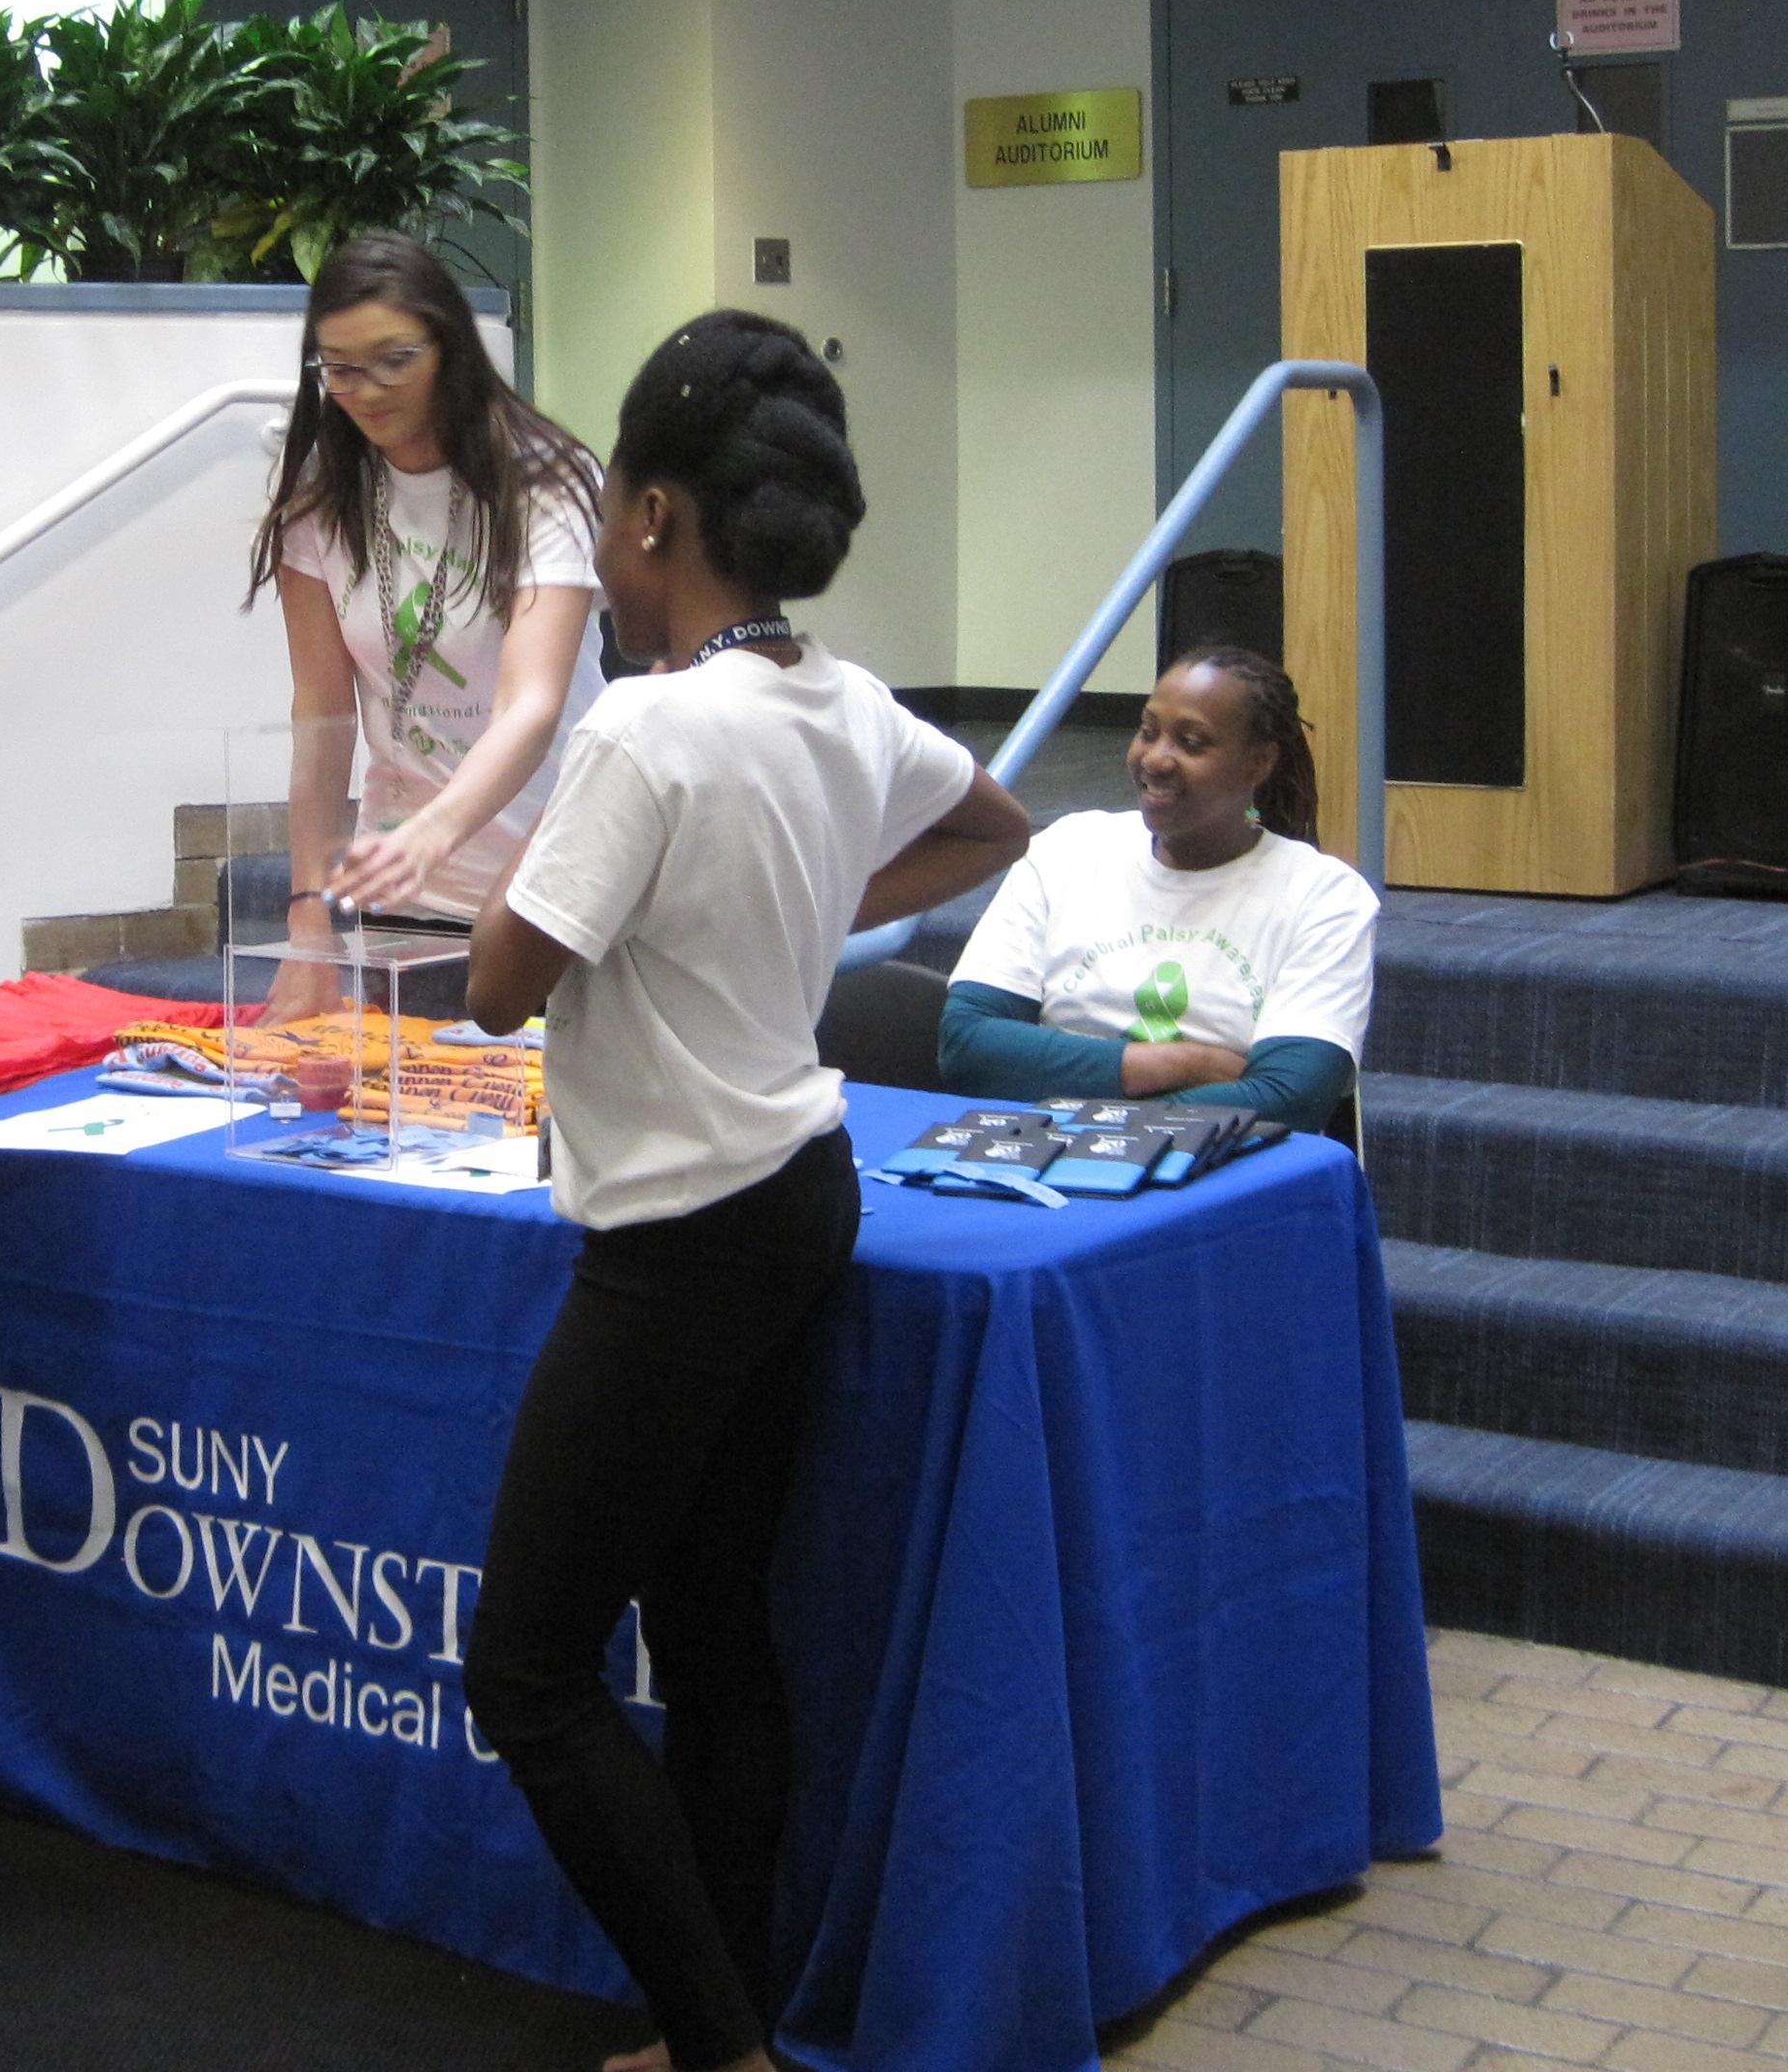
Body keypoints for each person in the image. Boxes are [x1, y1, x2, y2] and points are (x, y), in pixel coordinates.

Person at [461, 312, 1030, 2072]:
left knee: (528, 1670)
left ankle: (720, 2047)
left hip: (680, 1236)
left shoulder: (644, 732)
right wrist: (797, 900)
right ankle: (722, 2024)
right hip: (797, 1192)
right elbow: (994, 823)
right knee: (714, 1635)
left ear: (650, 516)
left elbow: (499, 983)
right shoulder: (843, 702)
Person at [248, 232, 604, 1004]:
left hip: (551, 887)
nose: (368, 390)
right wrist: (309, 917)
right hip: (405, 898)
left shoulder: (543, 479)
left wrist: (432, 834)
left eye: (395, 359)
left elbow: (532, 703)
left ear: (450, 347)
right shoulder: (318, 494)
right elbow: (322, 713)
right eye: (340, 368)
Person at [935, 645, 1375, 1132]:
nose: (1156, 759)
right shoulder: (1065, 849)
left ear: (1259, 762)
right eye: (1147, 732)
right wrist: (1184, 1063)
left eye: (1191, 743)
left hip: (1218, 1165)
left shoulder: (1324, 897)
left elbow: (1288, 1099)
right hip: (1039, 1151)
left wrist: (1068, 1089)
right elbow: (967, 1047)